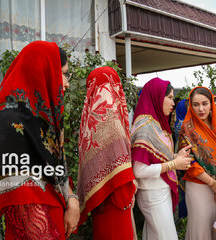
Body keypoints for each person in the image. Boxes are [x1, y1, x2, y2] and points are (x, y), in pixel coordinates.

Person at [0, 41, 79, 240]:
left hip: (56, 215)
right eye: (64, 73)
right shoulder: (9, 126)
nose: (67, 82)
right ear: (44, 72)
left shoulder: (40, 118)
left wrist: (72, 200)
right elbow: (24, 209)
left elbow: (57, 167)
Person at [77, 66, 136, 240]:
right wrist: (127, 193)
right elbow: (120, 168)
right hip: (116, 202)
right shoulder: (111, 119)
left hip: (99, 203)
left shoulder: (88, 121)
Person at [131, 78, 192, 240]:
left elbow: (155, 157)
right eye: (170, 98)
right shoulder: (145, 127)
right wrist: (174, 164)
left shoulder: (156, 124)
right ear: (158, 97)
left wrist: (175, 156)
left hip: (159, 190)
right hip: (152, 193)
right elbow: (139, 169)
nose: (173, 103)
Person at [178, 86, 216, 240]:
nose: (201, 109)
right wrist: (212, 183)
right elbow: (189, 162)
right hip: (198, 187)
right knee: (200, 230)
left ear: (211, 104)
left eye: (205, 103)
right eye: (196, 104)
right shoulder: (186, 130)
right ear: (190, 106)